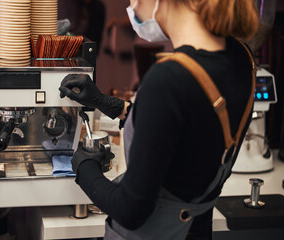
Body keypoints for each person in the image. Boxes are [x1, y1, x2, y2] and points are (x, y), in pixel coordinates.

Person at [59, 0, 259, 239]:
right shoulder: (241, 56)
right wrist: (106, 102)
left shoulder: (168, 79)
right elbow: (186, 132)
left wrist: (84, 167)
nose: (131, 5)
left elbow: (130, 209)